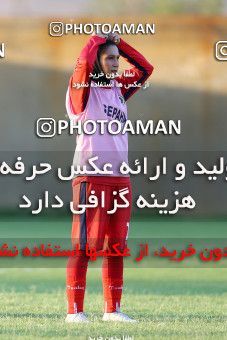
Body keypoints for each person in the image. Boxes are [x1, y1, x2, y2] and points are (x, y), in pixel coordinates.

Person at [65, 30, 154, 323]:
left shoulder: (118, 88)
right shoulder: (82, 89)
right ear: (96, 61)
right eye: (110, 58)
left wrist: (118, 42)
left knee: (115, 248)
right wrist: (96, 39)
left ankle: (112, 310)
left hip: (120, 180)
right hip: (90, 176)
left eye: (118, 59)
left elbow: (144, 68)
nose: (116, 63)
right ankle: (74, 311)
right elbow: (81, 63)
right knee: (84, 247)